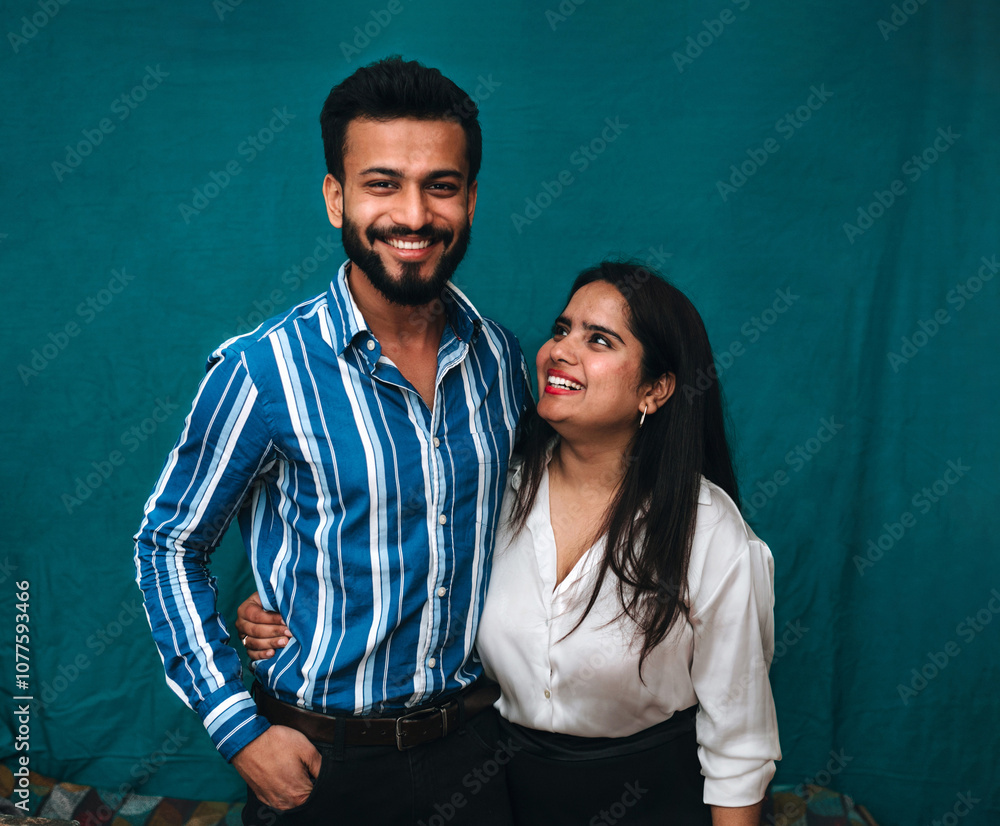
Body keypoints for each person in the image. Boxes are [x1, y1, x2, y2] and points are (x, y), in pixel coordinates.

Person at [134, 56, 531, 826]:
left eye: (440, 185)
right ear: (336, 197)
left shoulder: (505, 364)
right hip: (320, 765)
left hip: (480, 752)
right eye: (382, 183)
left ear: (471, 199)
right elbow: (167, 544)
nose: (413, 215)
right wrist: (239, 730)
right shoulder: (262, 369)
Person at [240, 261, 781, 825]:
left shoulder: (709, 530)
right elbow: (398, 577)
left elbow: (738, 743)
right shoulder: (491, 490)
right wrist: (289, 605)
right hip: (493, 790)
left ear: (656, 389)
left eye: (599, 340)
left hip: (653, 797)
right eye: (562, 329)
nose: (561, 351)